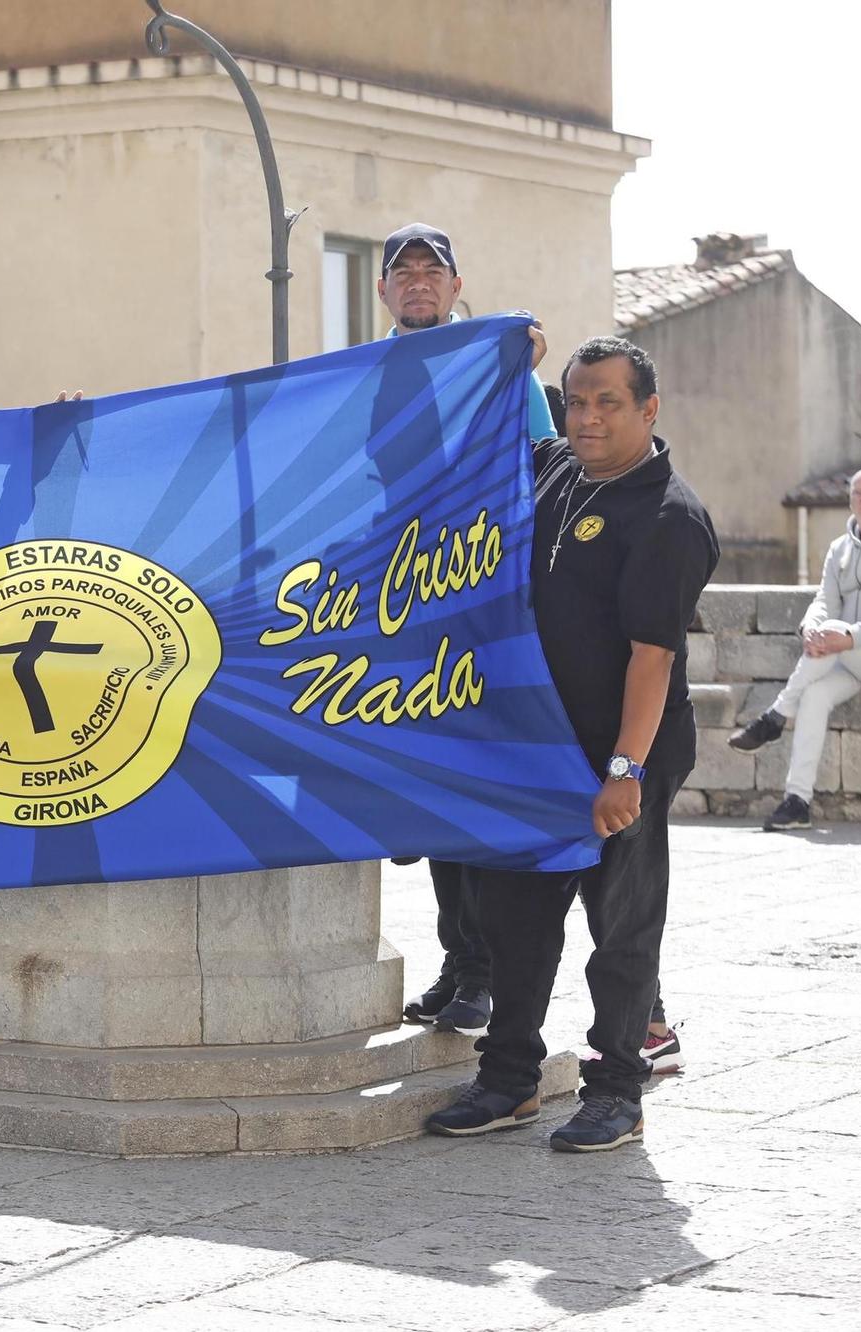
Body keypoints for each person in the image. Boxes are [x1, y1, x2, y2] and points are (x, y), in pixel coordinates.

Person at [425, 336, 718, 1152]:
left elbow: (651, 660)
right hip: (535, 750)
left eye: (608, 403)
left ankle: (617, 1088)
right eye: (576, 400)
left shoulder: (668, 517)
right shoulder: (559, 466)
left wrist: (622, 772)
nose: (587, 418)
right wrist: (503, 360)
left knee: (620, 925)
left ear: (649, 410)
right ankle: (509, 1080)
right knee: (516, 917)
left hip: (623, 753)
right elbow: (484, 433)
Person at [374, 223, 552, 1038]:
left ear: (454, 285)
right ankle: (461, 960)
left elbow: (550, 475)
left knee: (479, 786)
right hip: (406, 608)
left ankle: (487, 970)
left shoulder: (501, 359)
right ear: (382, 292)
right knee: (436, 787)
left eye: (430, 271)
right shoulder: (364, 375)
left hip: (487, 607)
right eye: (401, 272)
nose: (417, 283)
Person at [728, 467, 861, 830]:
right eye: (857, 493)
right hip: (849, 657)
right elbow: (824, 601)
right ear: (849, 500)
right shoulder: (839, 549)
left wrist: (846, 637)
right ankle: (797, 801)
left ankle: (774, 717)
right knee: (815, 695)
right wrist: (811, 628)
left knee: (833, 634)